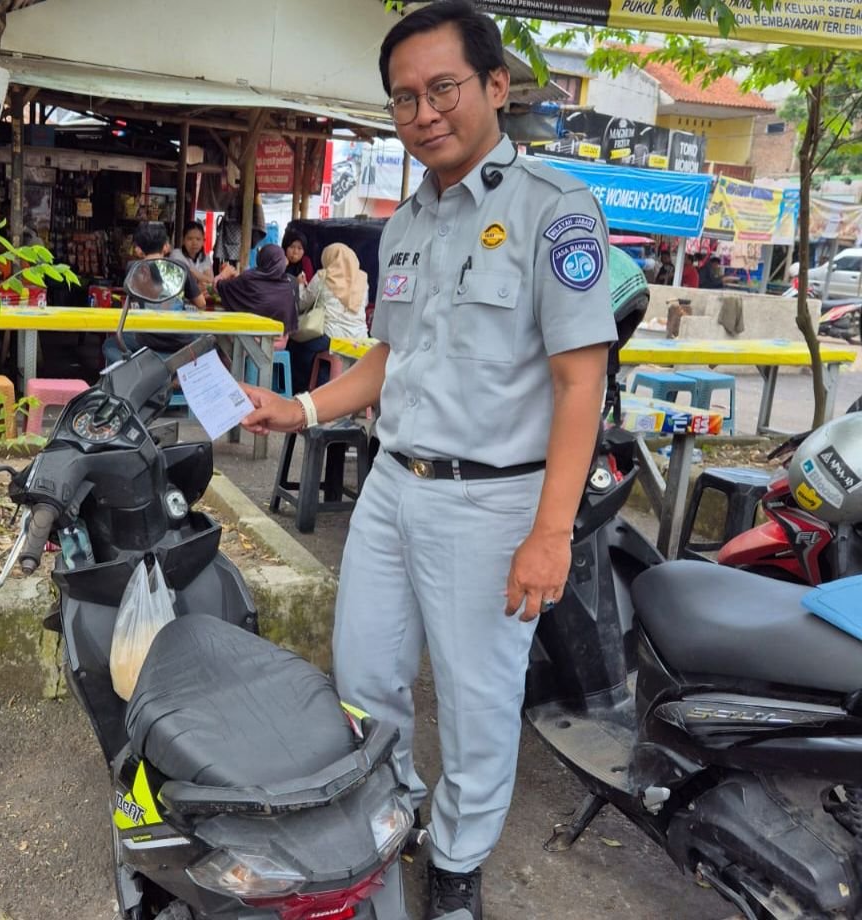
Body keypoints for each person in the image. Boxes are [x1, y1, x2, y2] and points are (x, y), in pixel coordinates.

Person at [240, 4, 615, 917]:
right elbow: (387, 361)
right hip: (390, 493)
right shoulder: (401, 225)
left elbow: (580, 385)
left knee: (479, 703)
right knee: (365, 676)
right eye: (403, 97)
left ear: (494, 86)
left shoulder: (555, 215)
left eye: (442, 87)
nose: (422, 112)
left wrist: (551, 534)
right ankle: (393, 809)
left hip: (492, 509)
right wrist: (297, 409)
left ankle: (456, 861)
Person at [103, 221, 209, 365]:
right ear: (166, 246)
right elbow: (201, 303)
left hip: (148, 340)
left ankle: (140, 371)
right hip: (181, 341)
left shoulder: (133, 268)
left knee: (110, 345)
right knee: (207, 339)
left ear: (138, 250)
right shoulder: (181, 267)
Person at [289, 242, 371, 391]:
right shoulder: (362, 280)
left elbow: (302, 303)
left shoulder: (323, 275)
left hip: (330, 336)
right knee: (328, 356)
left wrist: (300, 285)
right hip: (360, 338)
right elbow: (363, 305)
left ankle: (300, 389)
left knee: (296, 346)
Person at [213, 243, 298, 333]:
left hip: (245, 339)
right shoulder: (288, 285)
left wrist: (224, 274)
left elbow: (216, 287)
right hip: (278, 342)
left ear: (261, 258)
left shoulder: (249, 278)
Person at [169, 220, 215, 292]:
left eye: (198, 239)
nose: (194, 243)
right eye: (190, 239)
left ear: (203, 241)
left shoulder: (205, 257)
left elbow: (210, 280)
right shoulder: (176, 254)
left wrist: (192, 272)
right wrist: (201, 279)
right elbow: (179, 282)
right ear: (183, 240)